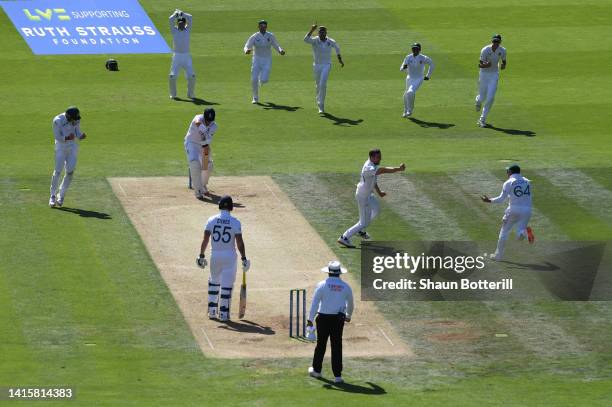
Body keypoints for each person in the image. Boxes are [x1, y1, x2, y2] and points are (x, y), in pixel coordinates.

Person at [196, 196, 250, 322]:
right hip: (229, 257)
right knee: (226, 285)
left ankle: (212, 311)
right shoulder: (235, 222)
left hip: (215, 255)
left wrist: (201, 255)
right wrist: (244, 258)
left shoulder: (211, 220)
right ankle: (224, 314)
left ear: (220, 206)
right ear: (231, 207)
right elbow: (240, 243)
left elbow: (205, 240)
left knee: (214, 282)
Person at [338, 149, 405, 248]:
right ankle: (344, 237)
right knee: (363, 222)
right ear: (372, 157)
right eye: (378, 157)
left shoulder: (372, 165)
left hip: (369, 195)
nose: (380, 159)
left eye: (380, 156)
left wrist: (379, 192)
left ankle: (360, 229)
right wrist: (398, 169)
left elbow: (373, 180)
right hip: (363, 196)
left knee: (376, 209)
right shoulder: (368, 168)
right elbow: (383, 170)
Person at [307, 261, 354, 384]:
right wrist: (348, 315)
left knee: (321, 344)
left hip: (323, 318)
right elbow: (351, 303)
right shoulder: (346, 286)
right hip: (338, 319)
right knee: (336, 346)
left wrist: (310, 320)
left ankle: (317, 370)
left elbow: (315, 303)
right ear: (339, 273)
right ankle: (337, 376)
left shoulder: (322, 285)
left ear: (328, 272)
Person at [481, 164, 535, 260]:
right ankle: (524, 233)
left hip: (513, 209)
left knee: (504, 232)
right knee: (520, 230)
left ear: (510, 172)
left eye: (507, 171)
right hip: (527, 209)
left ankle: (498, 256)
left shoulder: (508, 182)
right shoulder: (527, 181)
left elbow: (501, 199)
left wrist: (489, 200)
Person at [49, 106, 87, 208]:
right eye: (74, 119)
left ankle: (61, 196)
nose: (76, 120)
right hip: (61, 147)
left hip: (72, 147)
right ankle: (52, 196)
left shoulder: (76, 120)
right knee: (57, 171)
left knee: (70, 172)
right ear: (69, 117)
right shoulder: (57, 121)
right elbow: (57, 136)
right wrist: (66, 138)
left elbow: (77, 131)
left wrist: (80, 135)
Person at [304, 24, 344, 113]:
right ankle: (318, 101)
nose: (322, 34)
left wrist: (340, 60)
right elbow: (305, 40)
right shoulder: (315, 40)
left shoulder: (330, 41)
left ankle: (321, 105)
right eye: (320, 32)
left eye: (323, 32)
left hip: (326, 65)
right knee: (318, 85)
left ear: (326, 33)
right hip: (317, 65)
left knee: (323, 84)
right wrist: (311, 30)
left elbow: (337, 48)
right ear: (318, 33)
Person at [243, 19, 285, 104]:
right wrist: (247, 50)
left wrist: (280, 51)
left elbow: (276, 45)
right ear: (258, 27)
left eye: (264, 26)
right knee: (254, 79)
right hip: (256, 59)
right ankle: (255, 98)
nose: (263, 28)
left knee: (264, 80)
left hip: (267, 59)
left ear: (266, 27)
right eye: (261, 26)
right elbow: (247, 45)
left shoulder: (270, 35)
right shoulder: (255, 36)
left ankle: (261, 80)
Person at [184, 108, 217, 199]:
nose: (208, 123)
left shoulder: (214, 126)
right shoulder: (198, 118)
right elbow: (197, 121)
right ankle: (198, 191)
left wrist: (205, 138)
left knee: (208, 165)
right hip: (191, 143)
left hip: (204, 145)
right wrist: (201, 127)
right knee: (195, 164)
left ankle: (202, 185)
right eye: (206, 120)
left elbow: (206, 141)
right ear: (204, 116)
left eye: (210, 121)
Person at [475, 34, 507, 127]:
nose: (495, 43)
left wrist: (503, 65)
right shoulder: (485, 50)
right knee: (482, 97)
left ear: (500, 42)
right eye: (494, 41)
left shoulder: (503, 50)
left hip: (494, 75)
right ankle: (478, 100)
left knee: (490, 98)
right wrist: (486, 65)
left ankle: (482, 119)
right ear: (492, 41)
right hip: (484, 75)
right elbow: (480, 65)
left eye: (497, 42)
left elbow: (504, 61)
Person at [400, 43, 435, 117]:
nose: (415, 50)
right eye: (413, 49)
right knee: (406, 94)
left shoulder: (423, 58)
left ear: (420, 50)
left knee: (410, 92)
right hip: (409, 78)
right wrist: (404, 67)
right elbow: (401, 69)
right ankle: (405, 110)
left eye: (416, 49)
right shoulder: (408, 57)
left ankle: (410, 110)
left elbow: (432, 64)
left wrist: (428, 76)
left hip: (419, 78)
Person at [169, 9, 196, 99]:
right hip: (176, 57)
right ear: (177, 23)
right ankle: (173, 94)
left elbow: (190, 17)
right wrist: (175, 14)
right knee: (172, 77)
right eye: (179, 23)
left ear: (185, 24)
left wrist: (183, 14)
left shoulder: (188, 30)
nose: (180, 24)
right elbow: (170, 19)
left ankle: (190, 94)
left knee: (192, 77)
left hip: (186, 57)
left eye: (182, 23)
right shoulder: (174, 31)